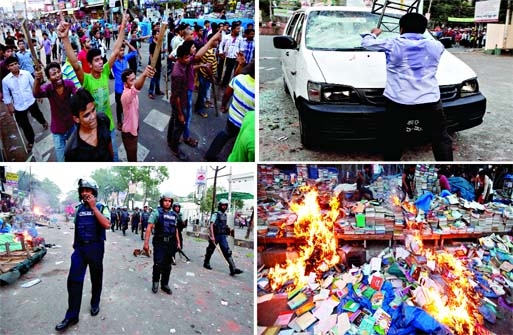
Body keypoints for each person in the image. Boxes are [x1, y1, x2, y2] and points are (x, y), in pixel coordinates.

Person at [361, 13, 453, 161]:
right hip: (429, 100)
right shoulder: (436, 46)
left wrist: (372, 33)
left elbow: (366, 43)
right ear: (424, 29)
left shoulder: (392, 43)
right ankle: (448, 166)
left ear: (401, 29)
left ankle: (390, 164)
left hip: (399, 101)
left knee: (394, 139)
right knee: (441, 138)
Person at [60, 13, 129, 162]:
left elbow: (116, 49)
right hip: (91, 128)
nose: (100, 63)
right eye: (96, 60)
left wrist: (123, 25)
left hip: (108, 124)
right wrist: (65, 39)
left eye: (100, 60)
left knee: (114, 157)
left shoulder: (105, 71)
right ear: (90, 64)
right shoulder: (86, 79)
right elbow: (74, 63)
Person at [55, 178, 110, 332]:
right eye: (83, 190)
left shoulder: (102, 207)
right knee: (73, 281)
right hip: (80, 249)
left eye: (88, 190)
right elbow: (77, 227)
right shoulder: (78, 209)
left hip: (96, 248)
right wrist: (75, 244)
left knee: (96, 277)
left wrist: (94, 208)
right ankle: (72, 315)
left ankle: (95, 303)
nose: (85, 193)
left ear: (94, 192)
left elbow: (106, 224)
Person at [204, 61, 255, 161]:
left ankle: (210, 154)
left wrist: (223, 106)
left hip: (233, 117)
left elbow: (227, 94)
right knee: (237, 144)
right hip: (246, 125)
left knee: (225, 134)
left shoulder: (238, 79)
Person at [2, 56, 49, 153]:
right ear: (8, 68)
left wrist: (38, 95)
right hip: (19, 105)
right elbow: (6, 95)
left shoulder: (26, 74)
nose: (14, 66)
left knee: (37, 114)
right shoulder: (5, 81)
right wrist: (9, 106)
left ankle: (43, 121)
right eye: (11, 65)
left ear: (18, 64)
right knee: (25, 125)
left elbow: (34, 85)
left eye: (15, 64)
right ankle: (30, 141)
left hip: (31, 100)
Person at [33, 62, 78, 162]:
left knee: (75, 155)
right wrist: (37, 79)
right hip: (58, 130)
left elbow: (77, 96)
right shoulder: (48, 89)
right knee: (61, 160)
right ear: (49, 78)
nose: (57, 75)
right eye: (53, 74)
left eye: (58, 72)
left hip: (71, 126)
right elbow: (36, 94)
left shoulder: (69, 84)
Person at [143, 194, 180, 295]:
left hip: (170, 243)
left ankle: (164, 284)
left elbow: (176, 230)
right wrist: (146, 243)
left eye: (169, 201)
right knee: (158, 264)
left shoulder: (174, 215)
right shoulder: (156, 213)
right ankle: (155, 282)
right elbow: (149, 227)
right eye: (165, 201)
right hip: (159, 243)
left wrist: (178, 243)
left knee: (168, 265)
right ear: (162, 201)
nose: (167, 203)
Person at [64, 88, 114, 161]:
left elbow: (109, 146)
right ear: (76, 119)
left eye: (93, 110)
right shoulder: (72, 150)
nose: (93, 117)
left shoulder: (103, 119)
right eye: (86, 115)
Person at [120, 66, 155, 162]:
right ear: (125, 84)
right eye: (131, 80)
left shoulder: (132, 92)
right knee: (132, 160)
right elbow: (137, 87)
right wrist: (144, 75)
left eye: (135, 78)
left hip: (134, 129)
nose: (134, 81)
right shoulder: (126, 95)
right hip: (129, 133)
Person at [203, 199, 243, 276]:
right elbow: (211, 225)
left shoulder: (225, 215)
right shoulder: (216, 214)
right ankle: (206, 263)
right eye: (223, 205)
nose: (224, 207)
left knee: (227, 251)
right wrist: (212, 236)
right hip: (215, 235)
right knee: (210, 250)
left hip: (222, 236)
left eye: (225, 205)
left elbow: (223, 225)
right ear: (220, 205)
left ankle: (233, 268)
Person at [112, 41, 138, 130]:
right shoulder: (114, 62)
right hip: (119, 89)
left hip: (127, 88)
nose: (122, 52)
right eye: (121, 50)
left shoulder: (125, 58)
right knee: (119, 106)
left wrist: (127, 43)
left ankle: (128, 119)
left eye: (123, 50)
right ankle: (119, 121)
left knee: (128, 104)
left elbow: (135, 52)